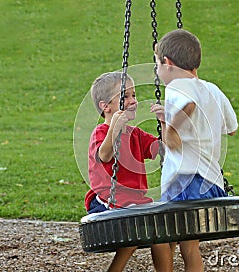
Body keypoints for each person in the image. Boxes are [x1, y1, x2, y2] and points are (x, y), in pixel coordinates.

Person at [154, 29, 238, 272]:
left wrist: (171, 131)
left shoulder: (177, 85)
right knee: (189, 246)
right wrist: (167, 119)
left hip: (185, 181)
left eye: (157, 64)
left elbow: (188, 105)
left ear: (167, 64)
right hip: (210, 183)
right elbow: (230, 128)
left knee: (161, 238)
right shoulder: (212, 89)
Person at [84, 72, 172, 272]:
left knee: (161, 236)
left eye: (134, 95)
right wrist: (115, 127)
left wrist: (164, 123)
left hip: (135, 202)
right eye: (125, 96)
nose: (133, 101)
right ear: (105, 106)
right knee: (132, 233)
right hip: (107, 202)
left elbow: (162, 150)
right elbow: (105, 155)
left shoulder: (136, 134)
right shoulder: (101, 132)